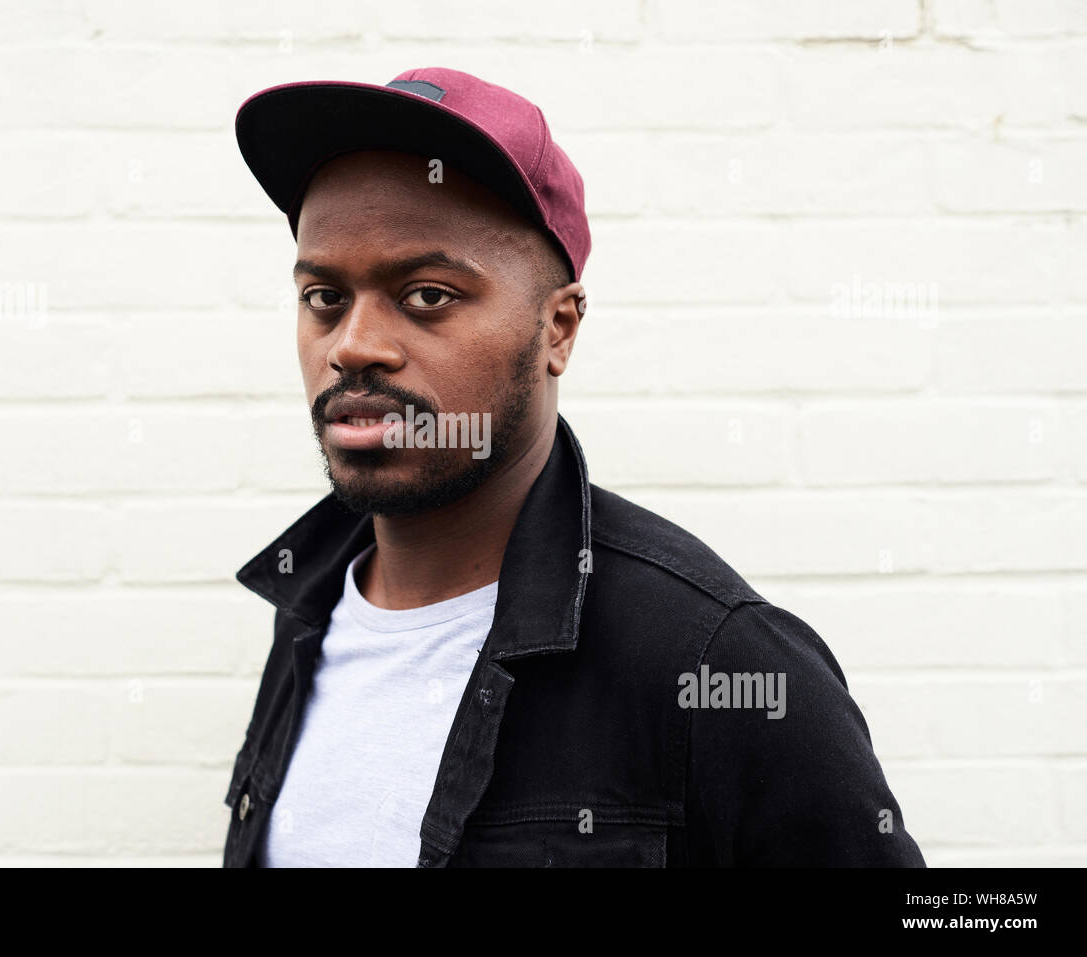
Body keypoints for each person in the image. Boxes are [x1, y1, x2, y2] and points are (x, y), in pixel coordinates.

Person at [223, 67, 925, 867]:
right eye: (324, 298)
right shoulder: (309, 608)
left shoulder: (715, 659)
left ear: (558, 328)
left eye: (425, 295)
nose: (353, 345)